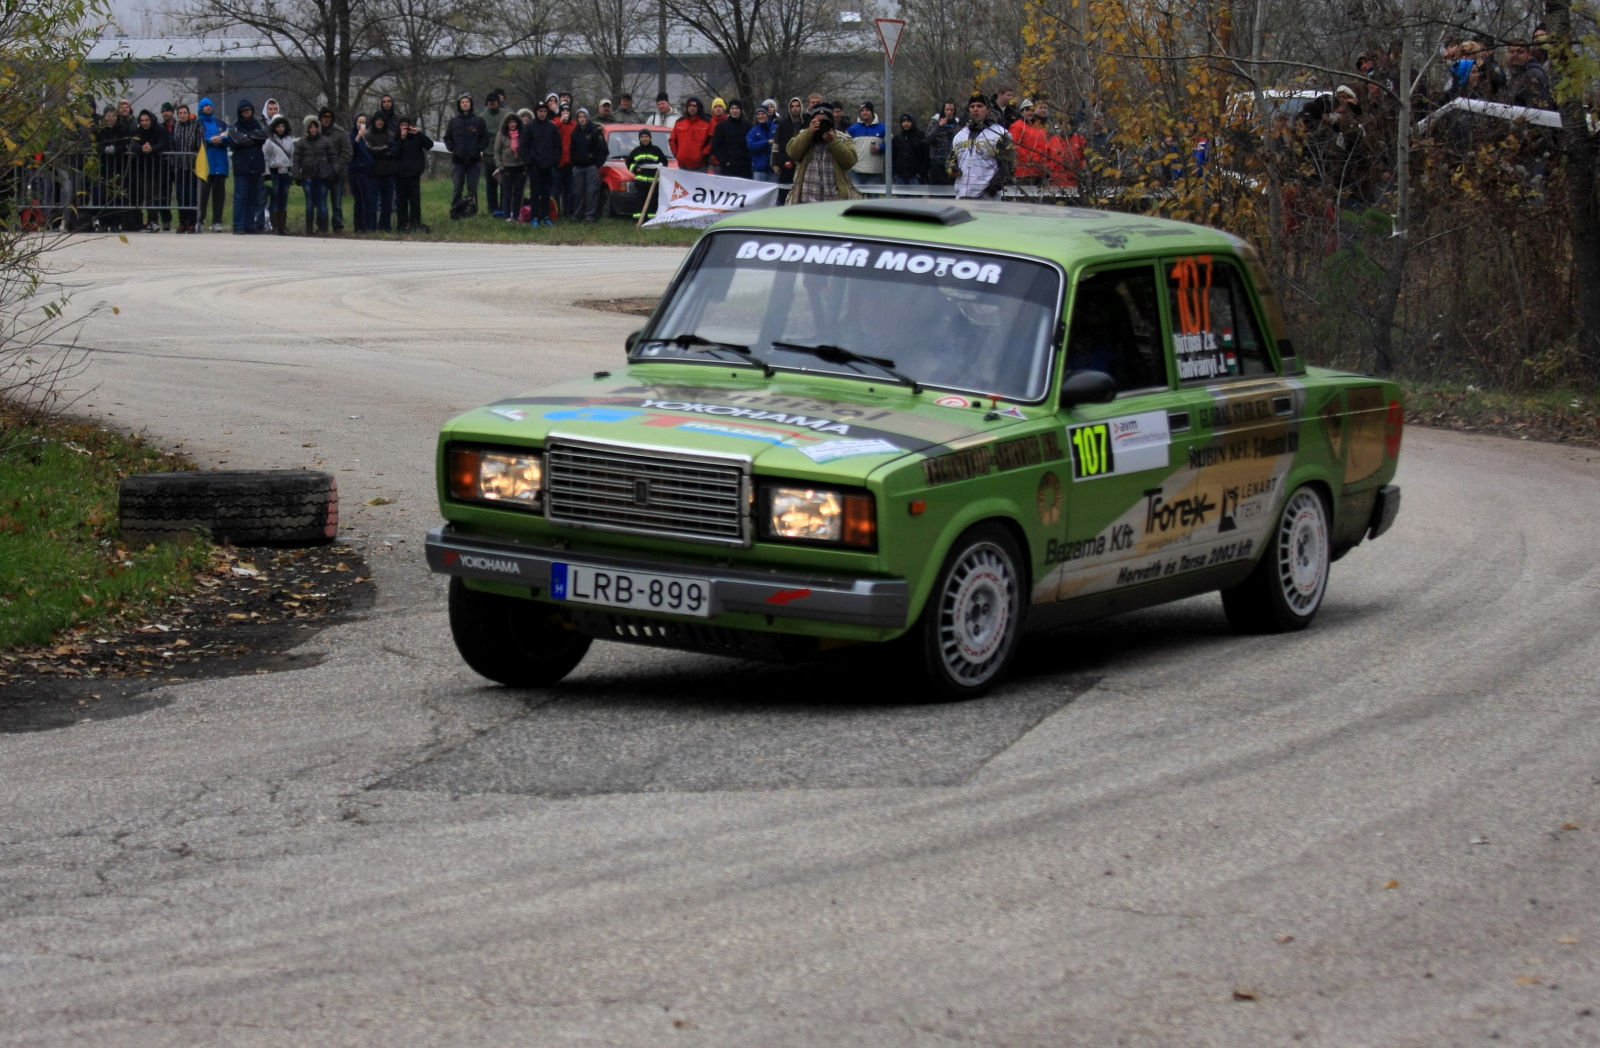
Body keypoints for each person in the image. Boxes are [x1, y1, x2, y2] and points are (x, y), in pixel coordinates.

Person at [786, 102, 859, 204]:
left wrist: (833, 141)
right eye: (817, 121)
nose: (820, 124)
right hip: (807, 197)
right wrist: (809, 133)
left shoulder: (842, 138)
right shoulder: (804, 135)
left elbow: (850, 161)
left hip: (833, 199)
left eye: (824, 120)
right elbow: (792, 153)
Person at [949, 93, 1013, 199]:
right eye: (972, 106)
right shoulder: (960, 135)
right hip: (962, 195)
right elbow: (950, 160)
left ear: (988, 109)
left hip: (987, 198)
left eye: (979, 106)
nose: (975, 109)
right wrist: (951, 168)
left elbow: (1008, 167)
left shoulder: (1000, 134)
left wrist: (990, 192)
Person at [444, 92, 487, 219]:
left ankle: (471, 213)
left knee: (472, 188)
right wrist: (453, 149)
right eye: (462, 102)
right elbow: (447, 138)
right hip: (458, 161)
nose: (465, 104)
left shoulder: (478, 121)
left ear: (470, 103)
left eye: (467, 102)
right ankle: (454, 213)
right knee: (457, 188)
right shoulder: (454, 121)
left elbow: (485, 138)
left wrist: (478, 149)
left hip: (474, 161)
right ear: (459, 104)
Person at [518, 101, 562, 226]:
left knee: (546, 192)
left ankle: (546, 216)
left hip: (548, 165)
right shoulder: (530, 127)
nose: (542, 114)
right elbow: (524, 146)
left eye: (544, 111)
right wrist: (528, 161)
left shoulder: (552, 127)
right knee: (535, 192)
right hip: (534, 166)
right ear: (536, 112)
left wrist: (555, 160)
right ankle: (534, 217)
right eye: (540, 111)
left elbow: (557, 146)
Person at [293, 113, 338, 235]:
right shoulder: (301, 143)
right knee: (309, 202)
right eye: (311, 127)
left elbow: (332, 157)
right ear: (307, 128)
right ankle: (309, 229)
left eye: (315, 127)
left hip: (322, 177)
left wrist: (335, 171)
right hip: (307, 177)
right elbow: (296, 160)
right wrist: (296, 175)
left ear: (318, 127)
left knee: (322, 202)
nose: (313, 129)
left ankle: (323, 228)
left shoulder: (326, 141)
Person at [227, 99, 267, 233]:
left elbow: (264, 135)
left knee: (253, 198)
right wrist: (252, 139)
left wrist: (247, 137)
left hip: (256, 166)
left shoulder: (259, 125)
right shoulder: (235, 126)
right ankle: (239, 225)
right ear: (240, 112)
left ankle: (250, 225)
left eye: (248, 110)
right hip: (241, 167)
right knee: (240, 197)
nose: (247, 112)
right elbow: (237, 140)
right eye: (244, 110)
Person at [166, 103, 203, 233]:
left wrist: (196, 164)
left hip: (191, 167)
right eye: (180, 113)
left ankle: (192, 222)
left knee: (191, 195)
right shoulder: (175, 126)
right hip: (179, 168)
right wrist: (174, 162)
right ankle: (182, 222)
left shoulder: (196, 126)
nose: (182, 115)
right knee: (181, 196)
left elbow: (199, 145)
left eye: (184, 113)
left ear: (188, 114)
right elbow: (171, 145)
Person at [130, 110, 169, 232]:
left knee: (153, 194)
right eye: (142, 121)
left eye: (146, 120)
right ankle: (140, 221)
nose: (144, 123)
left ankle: (153, 220)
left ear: (151, 120)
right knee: (141, 194)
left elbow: (164, 144)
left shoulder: (160, 130)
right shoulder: (137, 131)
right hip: (140, 167)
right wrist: (142, 148)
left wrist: (152, 148)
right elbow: (132, 144)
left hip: (156, 167)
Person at [393, 116, 433, 232]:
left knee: (415, 202)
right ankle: (402, 226)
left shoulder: (416, 138)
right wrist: (402, 138)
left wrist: (418, 133)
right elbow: (395, 154)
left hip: (413, 175)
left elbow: (429, 145)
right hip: (400, 175)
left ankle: (415, 224)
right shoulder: (396, 139)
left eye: (406, 125)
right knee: (401, 202)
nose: (404, 128)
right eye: (402, 126)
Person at [196, 97, 229, 231]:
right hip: (205, 165)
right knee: (203, 195)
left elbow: (229, 136)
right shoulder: (198, 125)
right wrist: (209, 141)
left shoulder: (221, 124)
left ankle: (217, 221)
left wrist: (222, 139)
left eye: (210, 105)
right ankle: (199, 220)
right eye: (205, 105)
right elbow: (197, 140)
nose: (208, 107)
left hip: (220, 165)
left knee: (219, 196)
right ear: (201, 109)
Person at [568, 107, 605, 222]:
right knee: (578, 192)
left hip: (591, 166)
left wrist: (597, 164)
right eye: (580, 117)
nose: (582, 119)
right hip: (578, 167)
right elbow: (571, 149)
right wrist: (573, 162)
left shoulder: (595, 130)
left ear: (588, 118)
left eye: (584, 117)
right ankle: (578, 214)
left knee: (591, 192)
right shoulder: (575, 132)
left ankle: (590, 215)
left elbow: (603, 149)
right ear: (577, 118)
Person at [318, 108, 352, 231]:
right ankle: (322, 226)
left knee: (337, 203)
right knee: (321, 202)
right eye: (324, 117)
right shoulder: (316, 132)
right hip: (320, 174)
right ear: (320, 118)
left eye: (329, 117)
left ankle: (338, 226)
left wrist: (337, 167)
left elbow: (347, 152)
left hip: (337, 174)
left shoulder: (341, 133)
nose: (326, 119)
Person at [263, 115, 296, 236]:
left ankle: (283, 225)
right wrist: (266, 173)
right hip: (274, 172)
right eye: (278, 126)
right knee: (275, 198)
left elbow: (292, 156)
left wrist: (291, 171)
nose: (280, 128)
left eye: (282, 126)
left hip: (286, 172)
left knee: (283, 198)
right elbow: (265, 158)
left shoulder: (289, 140)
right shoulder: (269, 141)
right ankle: (275, 226)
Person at [491, 111, 525, 224]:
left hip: (520, 167)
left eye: (514, 122)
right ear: (506, 124)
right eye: (510, 122)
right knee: (507, 193)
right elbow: (496, 152)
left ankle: (516, 215)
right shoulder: (501, 135)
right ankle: (507, 216)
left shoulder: (523, 134)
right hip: (506, 168)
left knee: (518, 193)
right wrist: (500, 167)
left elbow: (526, 150)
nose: (512, 124)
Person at [366, 112, 397, 232]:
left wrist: (381, 152)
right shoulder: (368, 135)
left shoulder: (390, 135)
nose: (380, 122)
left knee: (387, 203)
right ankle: (371, 226)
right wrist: (384, 149)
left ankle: (385, 226)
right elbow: (370, 150)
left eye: (382, 120)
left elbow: (394, 150)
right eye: (377, 120)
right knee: (372, 202)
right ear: (374, 121)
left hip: (389, 173)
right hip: (374, 173)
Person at [481, 90, 509, 215]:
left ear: (498, 102)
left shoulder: (507, 115)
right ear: (487, 103)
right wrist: (480, 152)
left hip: (505, 157)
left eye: (494, 102)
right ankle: (492, 209)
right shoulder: (482, 118)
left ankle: (504, 208)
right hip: (488, 156)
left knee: (505, 185)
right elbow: (479, 137)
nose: (492, 104)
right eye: (490, 102)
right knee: (491, 185)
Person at [626, 129, 666, 217]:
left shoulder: (656, 150)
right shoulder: (636, 151)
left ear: (650, 138)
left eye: (646, 137)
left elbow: (664, 162)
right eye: (642, 137)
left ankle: (651, 219)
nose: (644, 139)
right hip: (641, 182)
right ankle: (639, 219)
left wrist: (660, 169)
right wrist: (635, 169)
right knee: (640, 200)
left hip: (654, 181)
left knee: (653, 201)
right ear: (639, 139)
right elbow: (628, 162)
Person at [773, 97, 808, 197]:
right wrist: (775, 164)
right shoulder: (783, 124)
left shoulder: (807, 123)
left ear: (801, 107)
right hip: (786, 165)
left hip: (803, 164)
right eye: (792, 106)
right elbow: (776, 145)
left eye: (797, 106)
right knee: (784, 195)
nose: (795, 108)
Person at [846, 102, 886, 187]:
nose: (864, 112)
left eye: (867, 110)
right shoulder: (853, 128)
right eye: (862, 111)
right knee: (856, 199)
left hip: (874, 171)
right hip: (856, 171)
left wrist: (881, 148)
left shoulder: (883, 128)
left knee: (872, 200)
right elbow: (845, 146)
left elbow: (891, 145)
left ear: (872, 112)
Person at [1010, 101, 1050, 185]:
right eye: (1027, 110)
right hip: (1024, 171)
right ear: (1021, 112)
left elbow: (1045, 146)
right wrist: (1031, 159)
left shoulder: (1040, 127)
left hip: (1041, 171)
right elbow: (1014, 146)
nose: (1030, 112)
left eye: (1032, 110)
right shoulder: (1017, 126)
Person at [670, 97, 714, 171]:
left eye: (694, 106)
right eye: (689, 106)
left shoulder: (707, 123)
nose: (692, 108)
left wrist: (703, 154)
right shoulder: (679, 122)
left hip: (700, 166)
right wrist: (677, 155)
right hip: (683, 165)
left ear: (698, 107)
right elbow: (672, 140)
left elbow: (712, 140)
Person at [710, 99, 752, 178]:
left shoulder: (747, 126)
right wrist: (724, 162)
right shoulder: (721, 126)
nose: (734, 111)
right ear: (729, 110)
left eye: (737, 108)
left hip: (744, 168)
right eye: (732, 108)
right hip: (728, 168)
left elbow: (750, 145)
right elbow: (715, 147)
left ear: (740, 110)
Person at [349, 113, 374, 232]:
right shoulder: (352, 135)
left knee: (367, 199)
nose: (362, 125)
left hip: (366, 172)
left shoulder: (367, 137)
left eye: (364, 123)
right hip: (356, 172)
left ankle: (367, 225)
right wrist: (357, 138)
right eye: (360, 122)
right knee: (360, 200)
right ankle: (359, 226)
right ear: (355, 123)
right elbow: (349, 151)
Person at [891, 113, 928, 184]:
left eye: (908, 121)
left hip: (915, 176)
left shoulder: (921, 136)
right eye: (903, 122)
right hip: (900, 176)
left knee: (915, 195)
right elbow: (892, 157)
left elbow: (926, 157)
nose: (906, 124)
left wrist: (921, 174)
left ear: (913, 122)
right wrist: (894, 174)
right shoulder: (897, 139)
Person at [746, 107, 776, 182]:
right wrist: (767, 142)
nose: (760, 116)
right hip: (759, 169)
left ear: (767, 114)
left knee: (774, 193)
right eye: (758, 114)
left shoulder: (776, 128)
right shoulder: (753, 131)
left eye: (762, 114)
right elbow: (751, 146)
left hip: (774, 168)